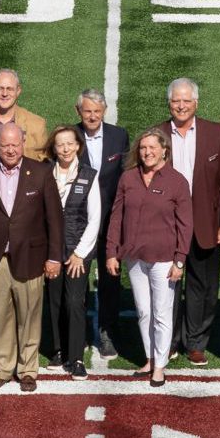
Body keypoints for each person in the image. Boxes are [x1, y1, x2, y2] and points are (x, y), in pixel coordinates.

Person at [0, 122, 59, 391]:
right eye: (5, 145)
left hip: (31, 256)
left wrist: (54, 257)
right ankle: (2, 369)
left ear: (23, 143)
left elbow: (55, 219)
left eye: (15, 144)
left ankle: (28, 369)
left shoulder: (41, 172)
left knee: (29, 315)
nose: (10, 150)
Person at [103, 130, 192, 387]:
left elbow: (185, 225)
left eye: (153, 147)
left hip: (164, 258)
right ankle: (150, 357)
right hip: (134, 256)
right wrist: (111, 251)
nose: (147, 152)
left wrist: (179, 260)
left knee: (162, 312)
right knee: (143, 311)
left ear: (164, 149)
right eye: (143, 148)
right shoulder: (128, 178)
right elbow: (116, 217)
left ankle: (160, 366)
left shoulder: (177, 181)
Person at [160, 78, 220, 367]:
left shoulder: (215, 133)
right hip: (167, 225)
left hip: (205, 224)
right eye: (176, 100)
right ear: (169, 103)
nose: (181, 105)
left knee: (204, 286)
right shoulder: (158, 133)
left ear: (196, 103)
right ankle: (169, 341)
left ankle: (196, 342)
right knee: (167, 285)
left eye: (186, 101)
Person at [74, 88, 132, 359]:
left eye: (97, 111)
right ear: (79, 112)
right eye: (88, 111)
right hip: (79, 223)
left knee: (110, 280)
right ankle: (82, 330)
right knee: (79, 279)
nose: (93, 116)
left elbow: (125, 178)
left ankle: (108, 330)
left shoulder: (119, 136)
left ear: (104, 111)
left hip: (110, 222)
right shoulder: (70, 136)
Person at [43, 125, 102, 378]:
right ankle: (59, 350)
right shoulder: (45, 173)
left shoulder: (89, 174)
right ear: (54, 148)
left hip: (78, 251)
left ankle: (76, 357)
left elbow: (95, 217)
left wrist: (80, 253)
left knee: (74, 301)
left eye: (70, 143)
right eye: (60, 144)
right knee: (54, 300)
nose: (65, 148)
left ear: (78, 145)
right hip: (52, 250)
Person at [0, 68, 49, 165]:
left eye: (10, 89)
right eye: (0, 88)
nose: (4, 94)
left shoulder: (37, 124)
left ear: (18, 91)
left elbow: (44, 163)